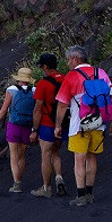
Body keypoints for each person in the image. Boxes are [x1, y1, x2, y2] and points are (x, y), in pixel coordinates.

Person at [54, 45, 112, 207]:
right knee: (92, 157)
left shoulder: (71, 77)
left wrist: (57, 125)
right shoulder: (101, 73)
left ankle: (81, 195)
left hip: (79, 125)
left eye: (69, 59)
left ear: (76, 59)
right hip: (99, 123)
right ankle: (90, 193)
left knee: (79, 160)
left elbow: (62, 105)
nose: (68, 63)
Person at [0, 67, 36, 193]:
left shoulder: (11, 90)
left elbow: (4, 109)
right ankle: (19, 180)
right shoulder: (34, 90)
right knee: (22, 156)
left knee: (13, 155)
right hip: (27, 126)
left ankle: (16, 183)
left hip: (13, 125)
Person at [29, 53, 68, 198]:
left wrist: (35, 129)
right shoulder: (65, 79)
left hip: (47, 124)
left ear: (45, 66)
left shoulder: (42, 84)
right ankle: (59, 177)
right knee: (55, 152)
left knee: (46, 154)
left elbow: (37, 109)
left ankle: (46, 187)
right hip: (63, 123)